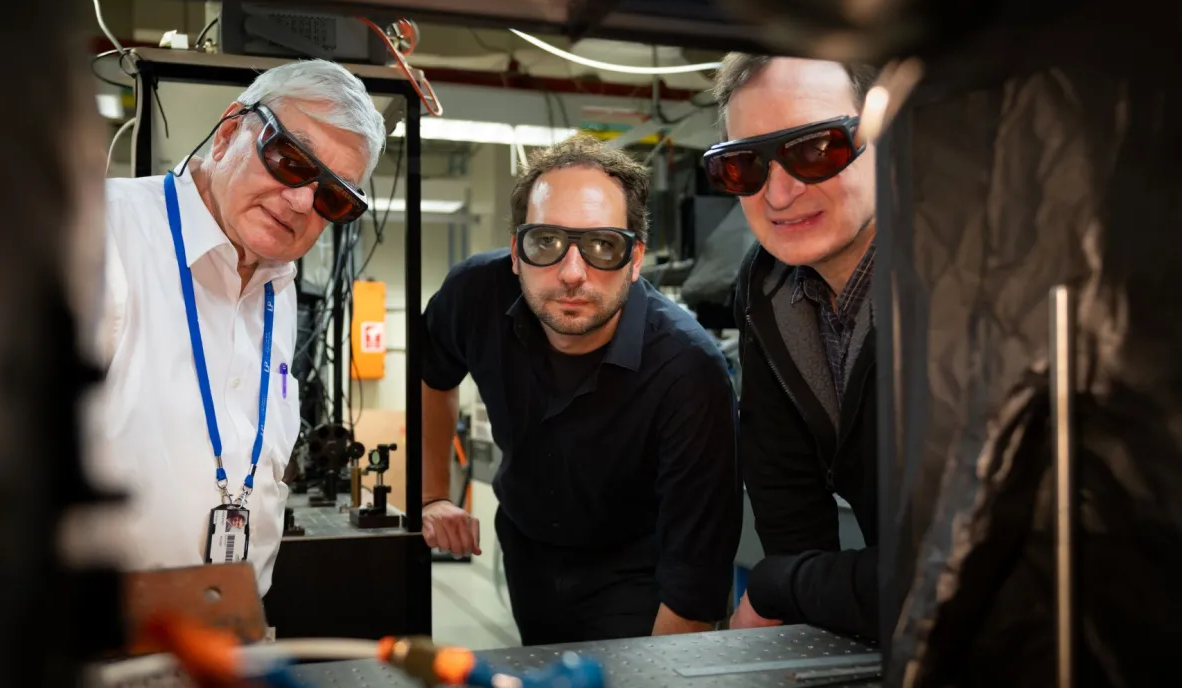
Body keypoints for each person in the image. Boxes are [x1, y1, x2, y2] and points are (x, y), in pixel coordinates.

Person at [420, 135, 741, 645]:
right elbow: (431, 372)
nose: (572, 273)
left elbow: (694, 581)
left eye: (602, 245)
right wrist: (433, 492)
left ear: (635, 260)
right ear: (516, 253)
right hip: (528, 550)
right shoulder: (475, 294)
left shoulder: (688, 371)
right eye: (545, 242)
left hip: (637, 570)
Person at [86, 59, 383, 594]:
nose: (300, 202)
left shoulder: (277, 285)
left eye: (333, 197)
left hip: (224, 640)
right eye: (290, 160)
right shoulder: (101, 235)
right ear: (227, 135)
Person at [705, 54, 881, 640]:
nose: (778, 194)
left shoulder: (966, 284)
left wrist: (784, 585)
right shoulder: (767, 289)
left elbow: (972, 567)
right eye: (743, 166)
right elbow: (787, 507)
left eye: (815, 150)